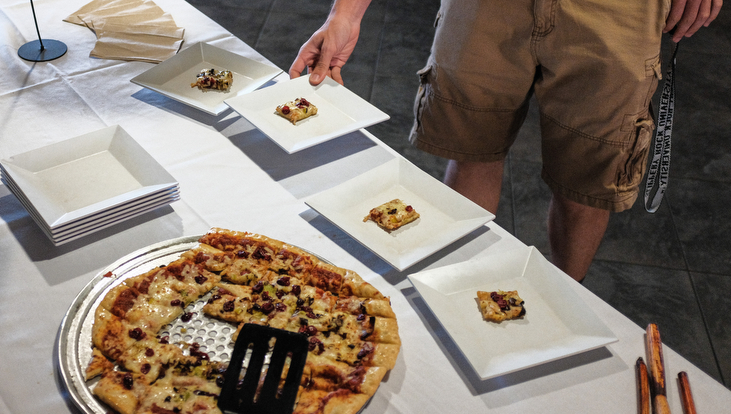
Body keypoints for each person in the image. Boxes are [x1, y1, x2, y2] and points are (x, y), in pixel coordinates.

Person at [288, 0, 722, 281]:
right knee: (470, 151)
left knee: (585, 186)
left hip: (617, 10)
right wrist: (345, 13)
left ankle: (559, 307)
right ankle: (454, 292)